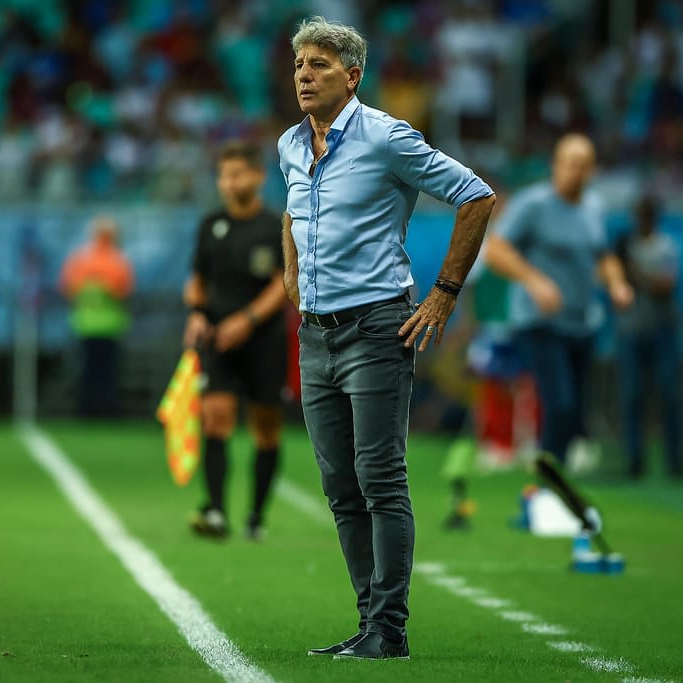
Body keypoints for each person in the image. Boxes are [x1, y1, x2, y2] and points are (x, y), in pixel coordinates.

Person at [278, 16, 495, 660]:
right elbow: (290, 213)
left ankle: (389, 628)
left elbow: (475, 196)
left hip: (376, 325)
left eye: (318, 65)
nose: (304, 76)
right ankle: (369, 621)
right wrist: (292, 276)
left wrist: (443, 293)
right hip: (315, 334)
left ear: (353, 74)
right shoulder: (291, 143)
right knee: (340, 483)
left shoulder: (385, 137)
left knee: (380, 476)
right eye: (298, 66)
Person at [484, 134, 633, 468]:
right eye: (570, 164)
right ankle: (548, 480)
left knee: (577, 409)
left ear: (593, 170)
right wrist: (535, 281)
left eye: (583, 165)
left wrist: (618, 283)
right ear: (556, 165)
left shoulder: (594, 207)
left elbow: (603, 254)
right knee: (560, 402)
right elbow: (496, 249)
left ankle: (558, 474)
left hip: (580, 320)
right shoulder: (533, 204)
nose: (575, 172)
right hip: (539, 320)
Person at [183, 141, 288, 541]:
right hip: (217, 340)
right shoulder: (211, 225)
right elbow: (197, 280)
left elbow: (283, 283)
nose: (229, 183)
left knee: (265, 428)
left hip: (264, 340)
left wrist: (246, 320)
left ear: (258, 177)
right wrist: (195, 313)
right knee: (215, 418)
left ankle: (256, 517)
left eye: (237, 174)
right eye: (224, 175)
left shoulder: (274, 226)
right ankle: (216, 512)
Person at [614, 195, 683, 479]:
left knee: (669, 394)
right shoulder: (626, 245)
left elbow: (666, 286)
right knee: (632, 396)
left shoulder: (664, 245)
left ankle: (675, 460)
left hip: (661, 328)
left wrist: (633, 271)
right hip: (631, 328)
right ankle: (635, 459)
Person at [58, 216, 135, 418]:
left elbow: (68, 288)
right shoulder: (117, 260)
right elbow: (124, 290)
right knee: (107, 372)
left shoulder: (81, 259)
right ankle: (105, 411)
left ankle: (85, 410)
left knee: (87, 371)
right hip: (109, 326)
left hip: (85, 324)